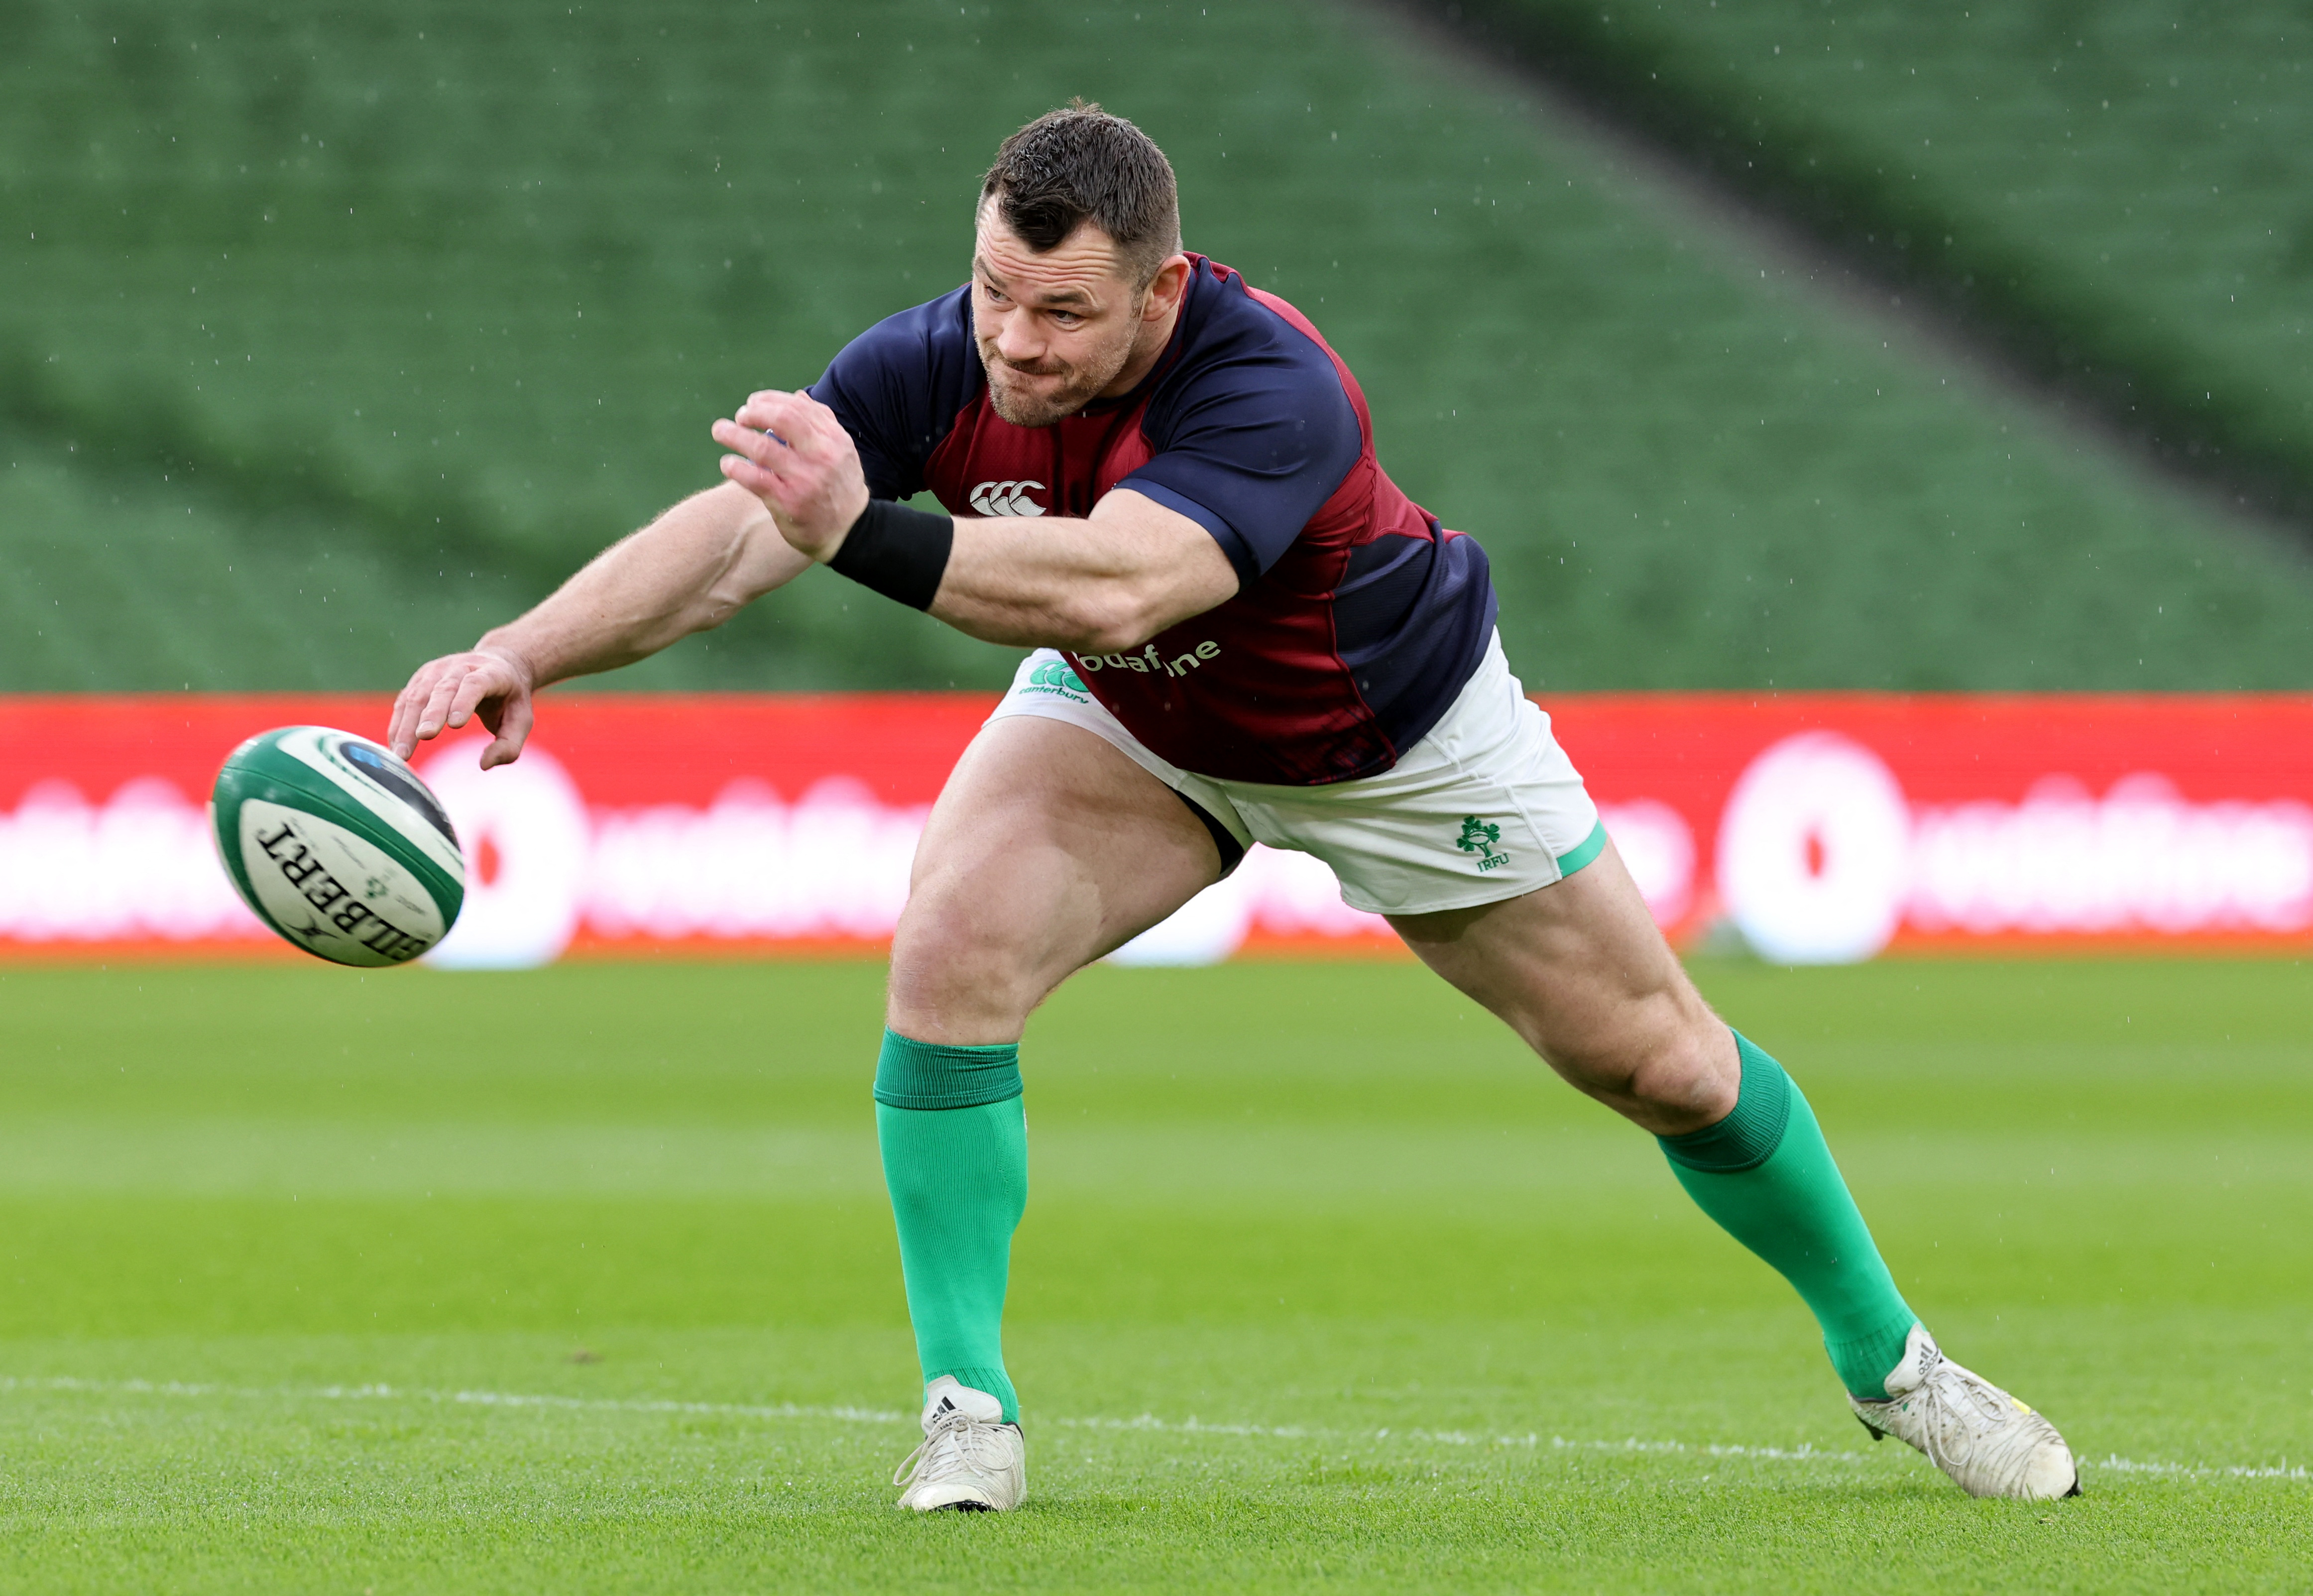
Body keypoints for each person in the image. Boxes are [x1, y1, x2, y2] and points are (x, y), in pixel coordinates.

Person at [389, 102, 2079, 1511]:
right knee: (952, 952)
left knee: (1669, 1066)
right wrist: (520, 645)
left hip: (1396, 740)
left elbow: (1129, 584)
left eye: (1062, 313)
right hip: (1138, 732)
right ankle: (967, 1411)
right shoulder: (937, 359)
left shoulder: (1270, 386)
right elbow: (754, 526)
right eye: (994, 294)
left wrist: (864, 535)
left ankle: (1898, 1368)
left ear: (1161, 290)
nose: (1014, 341)